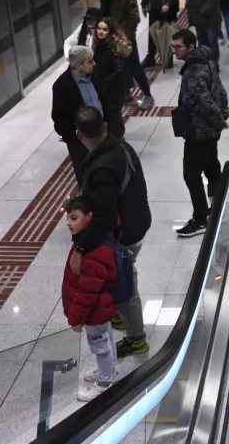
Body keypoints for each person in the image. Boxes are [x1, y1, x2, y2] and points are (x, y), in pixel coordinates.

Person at [71, 106, 152, 358]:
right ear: (105, 127)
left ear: (78, 135)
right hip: (137, 221)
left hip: (125, 233)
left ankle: (136, 338)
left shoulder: (102, 168)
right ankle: (117, 316)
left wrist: (81, 249)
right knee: (115, 277)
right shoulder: (122, 147)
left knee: (126, 285)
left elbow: (104, 217)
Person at [171, 30, 229, 238]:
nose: (175, 51)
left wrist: (220, 120)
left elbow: (204, 102)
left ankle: (200, 218)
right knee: (211, 166)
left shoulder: (193, 71)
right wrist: (222, 115)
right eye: (174, 46)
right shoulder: (207, 61)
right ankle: (217, 207)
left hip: (199, 132)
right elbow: (221, 91)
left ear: (191, 47)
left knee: (191, 175)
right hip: (210, 130)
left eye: (179, 47)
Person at [62, 195, 119, 401]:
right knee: (108, 337)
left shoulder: (92, 251)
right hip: (101, 307)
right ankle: (110, 371)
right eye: (68, 218)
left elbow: (87, 292)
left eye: (74, 218)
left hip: (94, 311)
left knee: (100, 347)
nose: (69, 223)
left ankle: (104, 383)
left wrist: (76, 319)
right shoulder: (89, 240)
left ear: (89, 217)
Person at [52, 46, 113, 186]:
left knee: (107, 171)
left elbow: (104, 100)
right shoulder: (62, 86)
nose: (94, 64)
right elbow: (58, 118)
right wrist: (74, 139)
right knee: (86, 177)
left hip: (103, 134)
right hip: (81, 142)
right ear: (79, 65)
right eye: (90, 61)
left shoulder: (95, 75)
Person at [100, 0, 154, 110]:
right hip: (109, 37)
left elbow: (134, 17)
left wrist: (126, 37)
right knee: (117, 66)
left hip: (124, 38)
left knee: (134, 66)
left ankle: (148, 95)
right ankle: (125, 92)